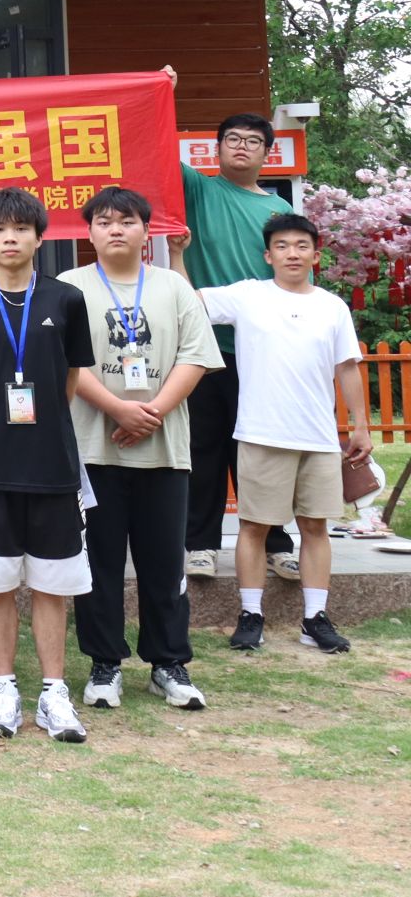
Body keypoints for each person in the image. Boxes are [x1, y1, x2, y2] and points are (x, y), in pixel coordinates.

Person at [0, 188, 99, 743]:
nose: (10, 238)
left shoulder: (65, 299)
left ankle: (54, 692)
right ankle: (4, 687)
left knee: (53, 583)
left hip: (53, 464)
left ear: (38, 237)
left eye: (21, 229)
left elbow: (71, 377)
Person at [63, 186, 222, 710]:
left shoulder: (173, 286)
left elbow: (195, 357)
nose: (116, 229)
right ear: (88, 232)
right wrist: (118, 408)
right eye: (104, 221)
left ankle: (168, 663)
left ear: (146, 231)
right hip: (94, 449)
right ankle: (104, 663)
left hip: (164, 450)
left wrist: (150, 414)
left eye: (127, 221)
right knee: (98, 564)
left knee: (164, 565)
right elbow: (66, 361)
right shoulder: (70, 286)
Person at [200, 213, 372, 655]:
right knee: (254, 527)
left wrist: (360, 425)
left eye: (301, 245)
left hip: (317, 436)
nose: (291, 253)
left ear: (315, 255)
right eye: (282, 246)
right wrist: (180, 255)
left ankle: (315, 618)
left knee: (315, 526)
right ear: (268, 255)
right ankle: (250, 614)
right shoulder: (248, 296)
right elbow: (189, 300)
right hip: (261, 433)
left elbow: (347, 368)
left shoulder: (332, 306)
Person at [163, 86, 302, 580]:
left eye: (253, 141)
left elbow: (296, 280)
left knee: (261, 450)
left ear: (268, 153)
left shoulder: (279, 214)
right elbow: (156, 145)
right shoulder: (200, 190)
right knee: (202, 447)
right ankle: (200, 546)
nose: (242, 147)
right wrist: (165, 95)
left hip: (262, 350)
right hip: (203, 348)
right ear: (217, 149)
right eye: (233, 140)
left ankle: (276, 543)